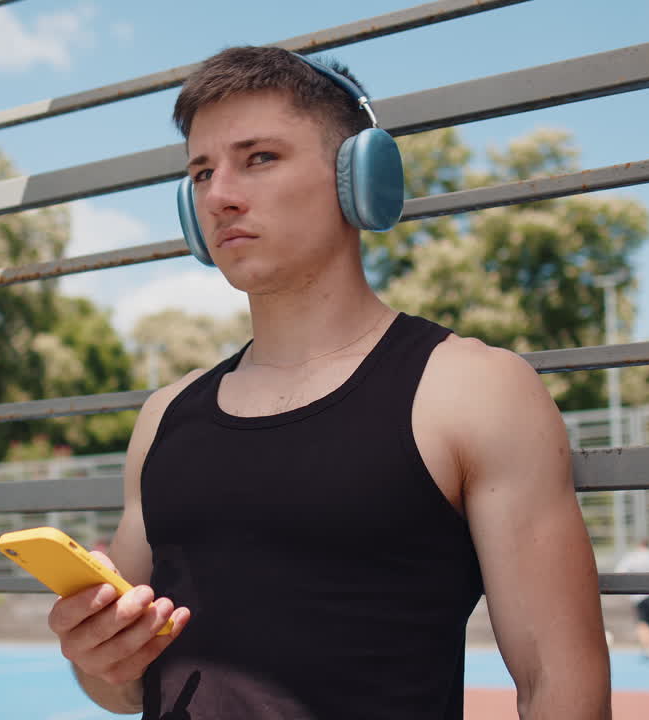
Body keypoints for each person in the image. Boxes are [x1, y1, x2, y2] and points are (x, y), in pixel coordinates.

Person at [47, 46, 611, 719]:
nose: (220, 195)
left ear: (358, 179)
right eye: (201, 172)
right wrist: (96, 658)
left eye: (259, 158)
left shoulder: (472, 390)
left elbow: (561, 686)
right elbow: (124, 687)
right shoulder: (165, 415)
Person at [613, 537, 649, 660]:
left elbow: (619, 573)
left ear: (639, 545)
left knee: (642, 623)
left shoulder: (631, 557)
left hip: (638, 596)